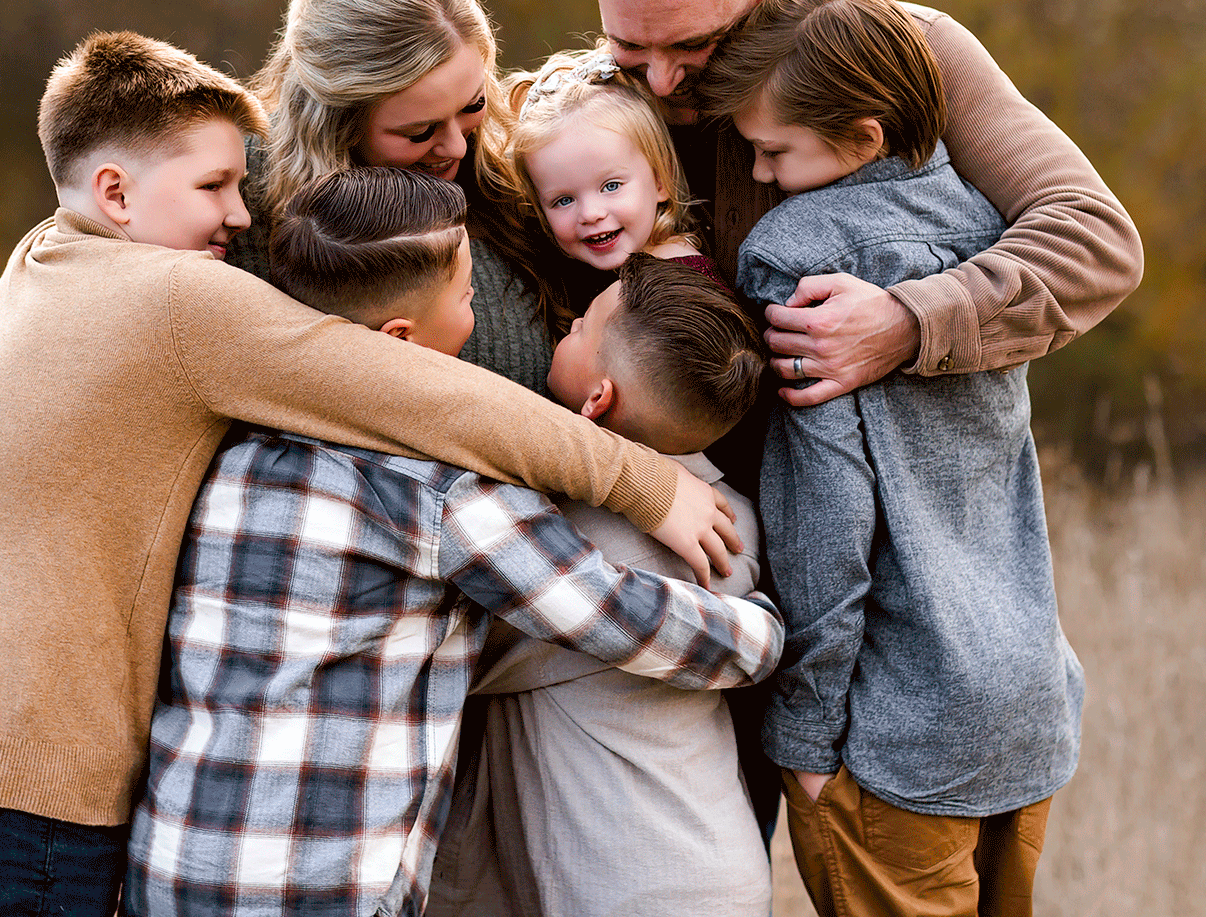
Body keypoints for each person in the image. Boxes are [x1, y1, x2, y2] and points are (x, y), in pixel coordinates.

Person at [0, 32, 742, 917]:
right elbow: (421, 395)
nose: (241, 215)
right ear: (115, 192)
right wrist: (644, 482)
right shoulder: (178, 301)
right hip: (35, 785)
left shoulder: (45, 257)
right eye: (214, 187)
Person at [127, 170, 784, 917]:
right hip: (326, 883)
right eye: (471, 298)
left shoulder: (233, 450)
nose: (482, 317)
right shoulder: (445, 496)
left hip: (180, 859)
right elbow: (611, 611)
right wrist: (763, 630)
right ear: (400, 340)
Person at [701, 0, 1083, 917]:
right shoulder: (990, 229)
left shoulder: (798, 260)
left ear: (862, 136)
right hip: (1023, 700)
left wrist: (804, 739)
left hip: (893, 733)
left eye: (773, 152)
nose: (757, 176)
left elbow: (826, 533)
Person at [576, 0, 1144, 402]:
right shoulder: (577, 108)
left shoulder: (904, 56)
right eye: (628, 45)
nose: (659, 82)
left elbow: (1093, 238)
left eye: (693, 44)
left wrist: (907, 323)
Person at [429, 254, 773, 917]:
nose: (565, 328)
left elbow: (459, 656)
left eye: (581, 326)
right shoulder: (737, 524)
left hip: (632, 884)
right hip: (714, 862)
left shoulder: (571, 539)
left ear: (598, 400)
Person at [234, 0, 572, 398]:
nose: (455, 146)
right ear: (340, 120)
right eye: (420, 132)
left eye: (472, 105)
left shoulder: (525, 170)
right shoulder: (239, 206)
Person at [478, 45, 722, 288]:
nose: (590, 214)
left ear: (661, 180)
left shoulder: (676, 284)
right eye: (563, 200)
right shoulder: (600, 280)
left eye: (611, 186)